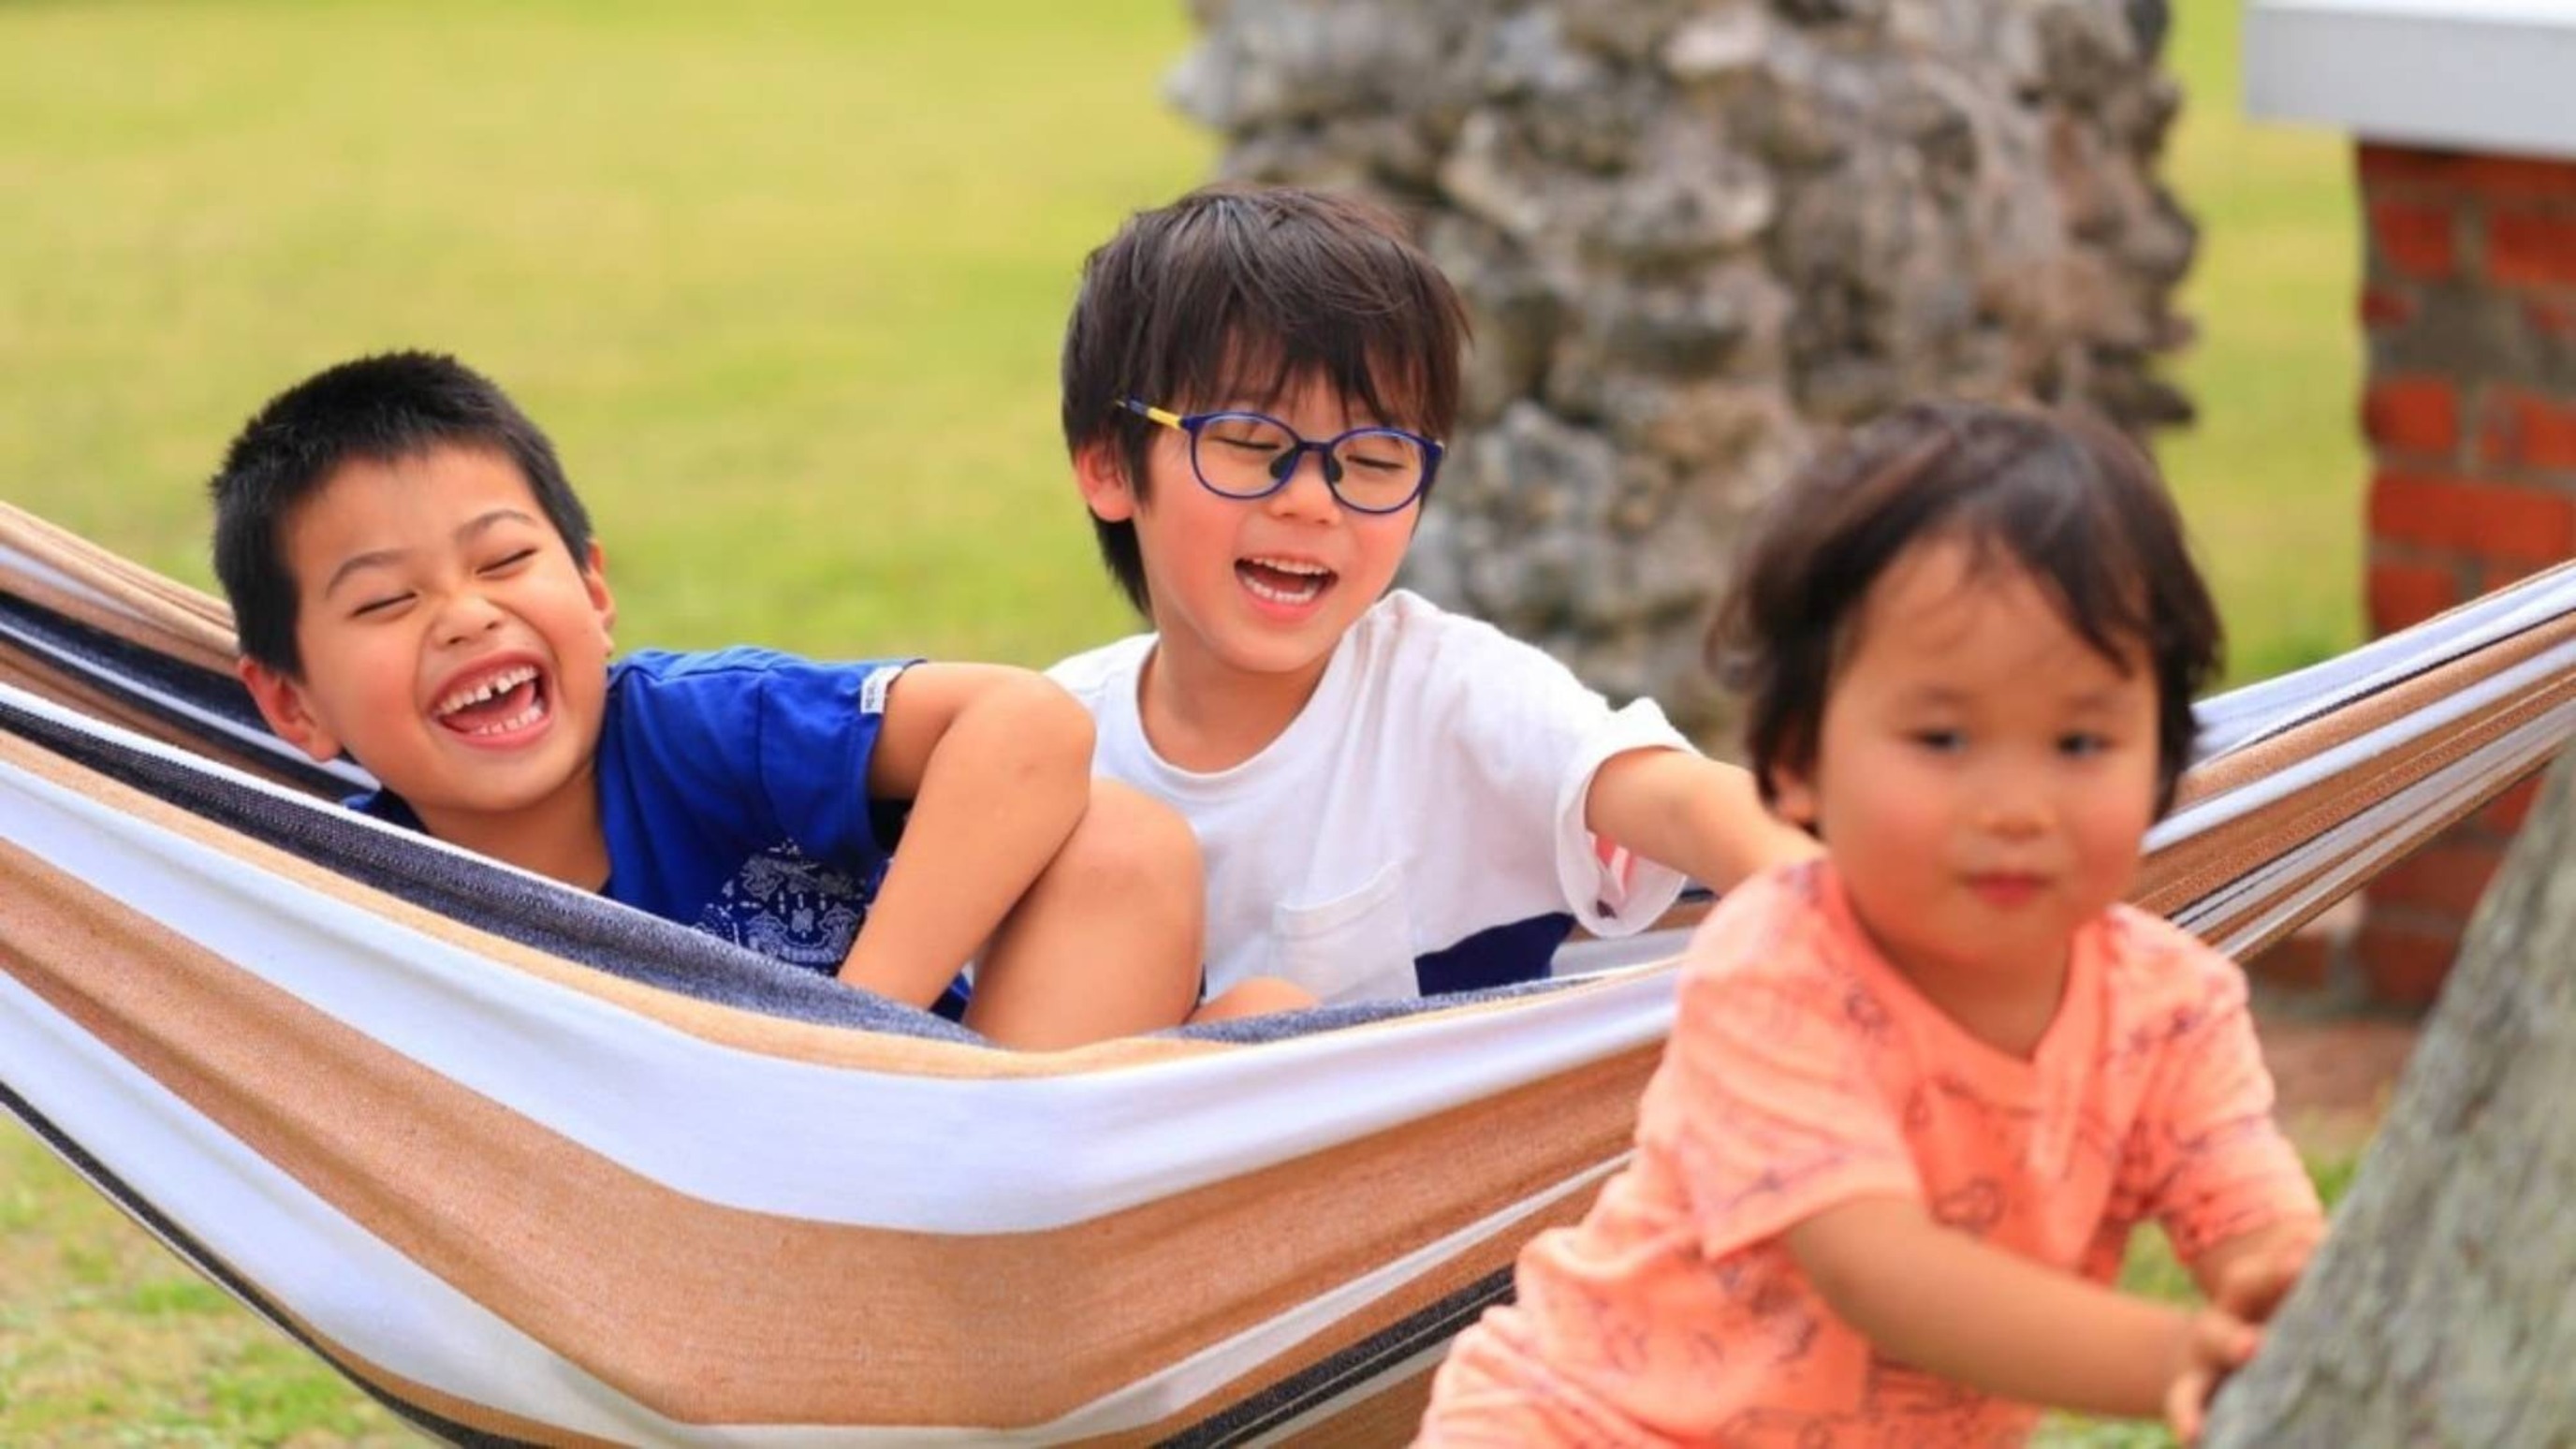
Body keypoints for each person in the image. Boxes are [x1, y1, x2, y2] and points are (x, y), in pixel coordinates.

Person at [1414, 401, 2329, 1445]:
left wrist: (2277, 1292)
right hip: (1586, 1427)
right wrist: (2170, 1358)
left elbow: (2254, 1223)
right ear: (1800, 761)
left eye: (2080, 743)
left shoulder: (2172, 1008)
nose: (2016, 806)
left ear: (2161, 757)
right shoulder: (1779, 966)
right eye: (1943, 737)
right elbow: (1876, 1268)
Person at [211, 350, 1228, 1049]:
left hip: (959, 1123)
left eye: (507, 560)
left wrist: (846, 1038)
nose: (466, 617)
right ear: (295, 707)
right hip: (710, 1270)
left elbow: (1028, 721)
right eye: (388, 600)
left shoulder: (694, 726)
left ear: (595, 590)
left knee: (1123, 846)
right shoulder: (349, 904)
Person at [1048, 183, 1818, 1007]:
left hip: (1426, 1137)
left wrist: (1863, 939)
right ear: (1109, 468)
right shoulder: (1057, 741)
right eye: (1249, 443)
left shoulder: (1452, 695)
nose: (1313, 499)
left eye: (1376, 461)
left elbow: (1688, 805)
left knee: (1266, 1014)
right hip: (1102, 1126)